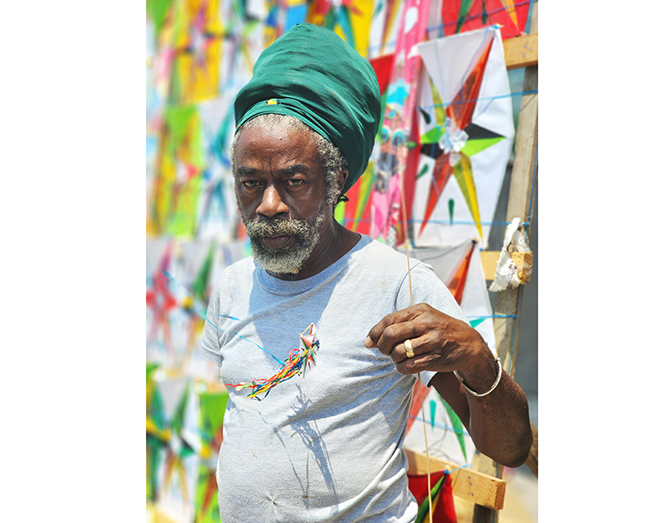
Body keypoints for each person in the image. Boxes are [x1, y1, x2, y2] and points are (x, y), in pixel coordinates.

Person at [200, 23, 532, 523]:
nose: (267, 205)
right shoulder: (232, 287)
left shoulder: (396, 284)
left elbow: (509, 448)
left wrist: (479, 361)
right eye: (250, 184)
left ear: (336, 181)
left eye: (294, 181)